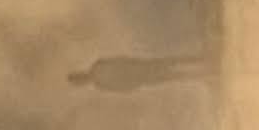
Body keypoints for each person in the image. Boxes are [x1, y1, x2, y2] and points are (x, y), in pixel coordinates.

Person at [66, 51, 213, 92]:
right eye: (80, 81)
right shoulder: (100, 84)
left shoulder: (98, 66)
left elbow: (118, 60)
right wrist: (134, 86)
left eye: (79, 78)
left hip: (137, 69)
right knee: (170, 74)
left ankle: (200, 60)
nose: (83, 80)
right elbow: (120, 89)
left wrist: (132, 62)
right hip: (138, 76)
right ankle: (201, 72)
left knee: (169, 64)